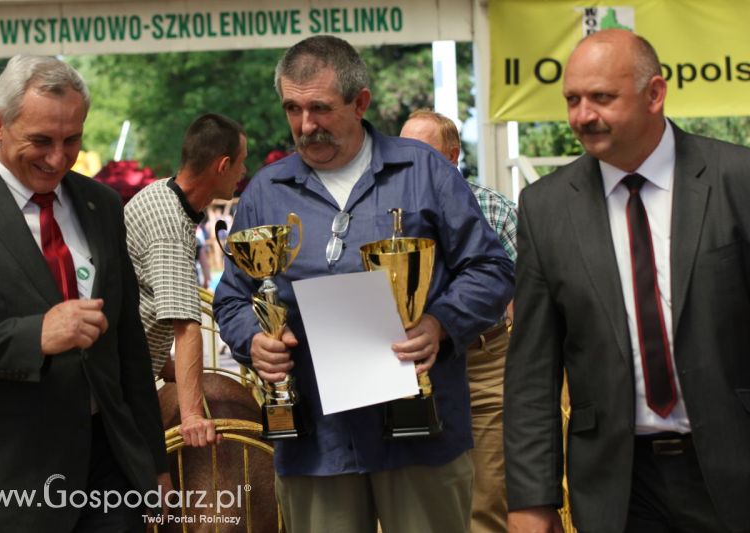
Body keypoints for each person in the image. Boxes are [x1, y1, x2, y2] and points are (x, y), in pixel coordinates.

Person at [214, 35, 513, 533]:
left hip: (421, 431)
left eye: (320, 108)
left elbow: (491, 268)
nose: (306, 126)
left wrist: (440, 324)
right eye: (293, 108)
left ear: (361, 103)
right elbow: (233, 297)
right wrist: (254, 339)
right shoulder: (265, 191)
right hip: (315, 441)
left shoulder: (425, 172)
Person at [504, 29, 750, 533]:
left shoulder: (737, 180)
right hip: (616, 487)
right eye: (572, 99)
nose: (582, 116)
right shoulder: (546, 208)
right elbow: (532, 369)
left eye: (602, 97)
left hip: (733, 469)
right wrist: (532, 497)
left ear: (655, 94)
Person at [0, 55, 170, 532]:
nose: (58, 158)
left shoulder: (103, 204)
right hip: (6, 482)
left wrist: (154, 461)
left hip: (111, 474)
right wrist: (35, 337)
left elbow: (129, 345)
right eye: (41, 141)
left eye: (72, 139)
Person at [401, 109, 517, 533]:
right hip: (411, 365)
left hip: (482, 360)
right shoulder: (383, 214)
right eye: (402, 151)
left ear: (451, 158)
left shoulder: (495, 210)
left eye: (421, 153)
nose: (407, 162)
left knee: (487, 499)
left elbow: (521, 297)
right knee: (417, 502)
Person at [124, 113, 247, 448]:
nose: (243, 174)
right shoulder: (170, 226)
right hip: (114, 388)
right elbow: (187, 325)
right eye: (241, 164)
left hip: (123, 368)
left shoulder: (161, 195)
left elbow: (136, 301)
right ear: (223, 165)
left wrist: (163, 365)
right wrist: (192, 416)